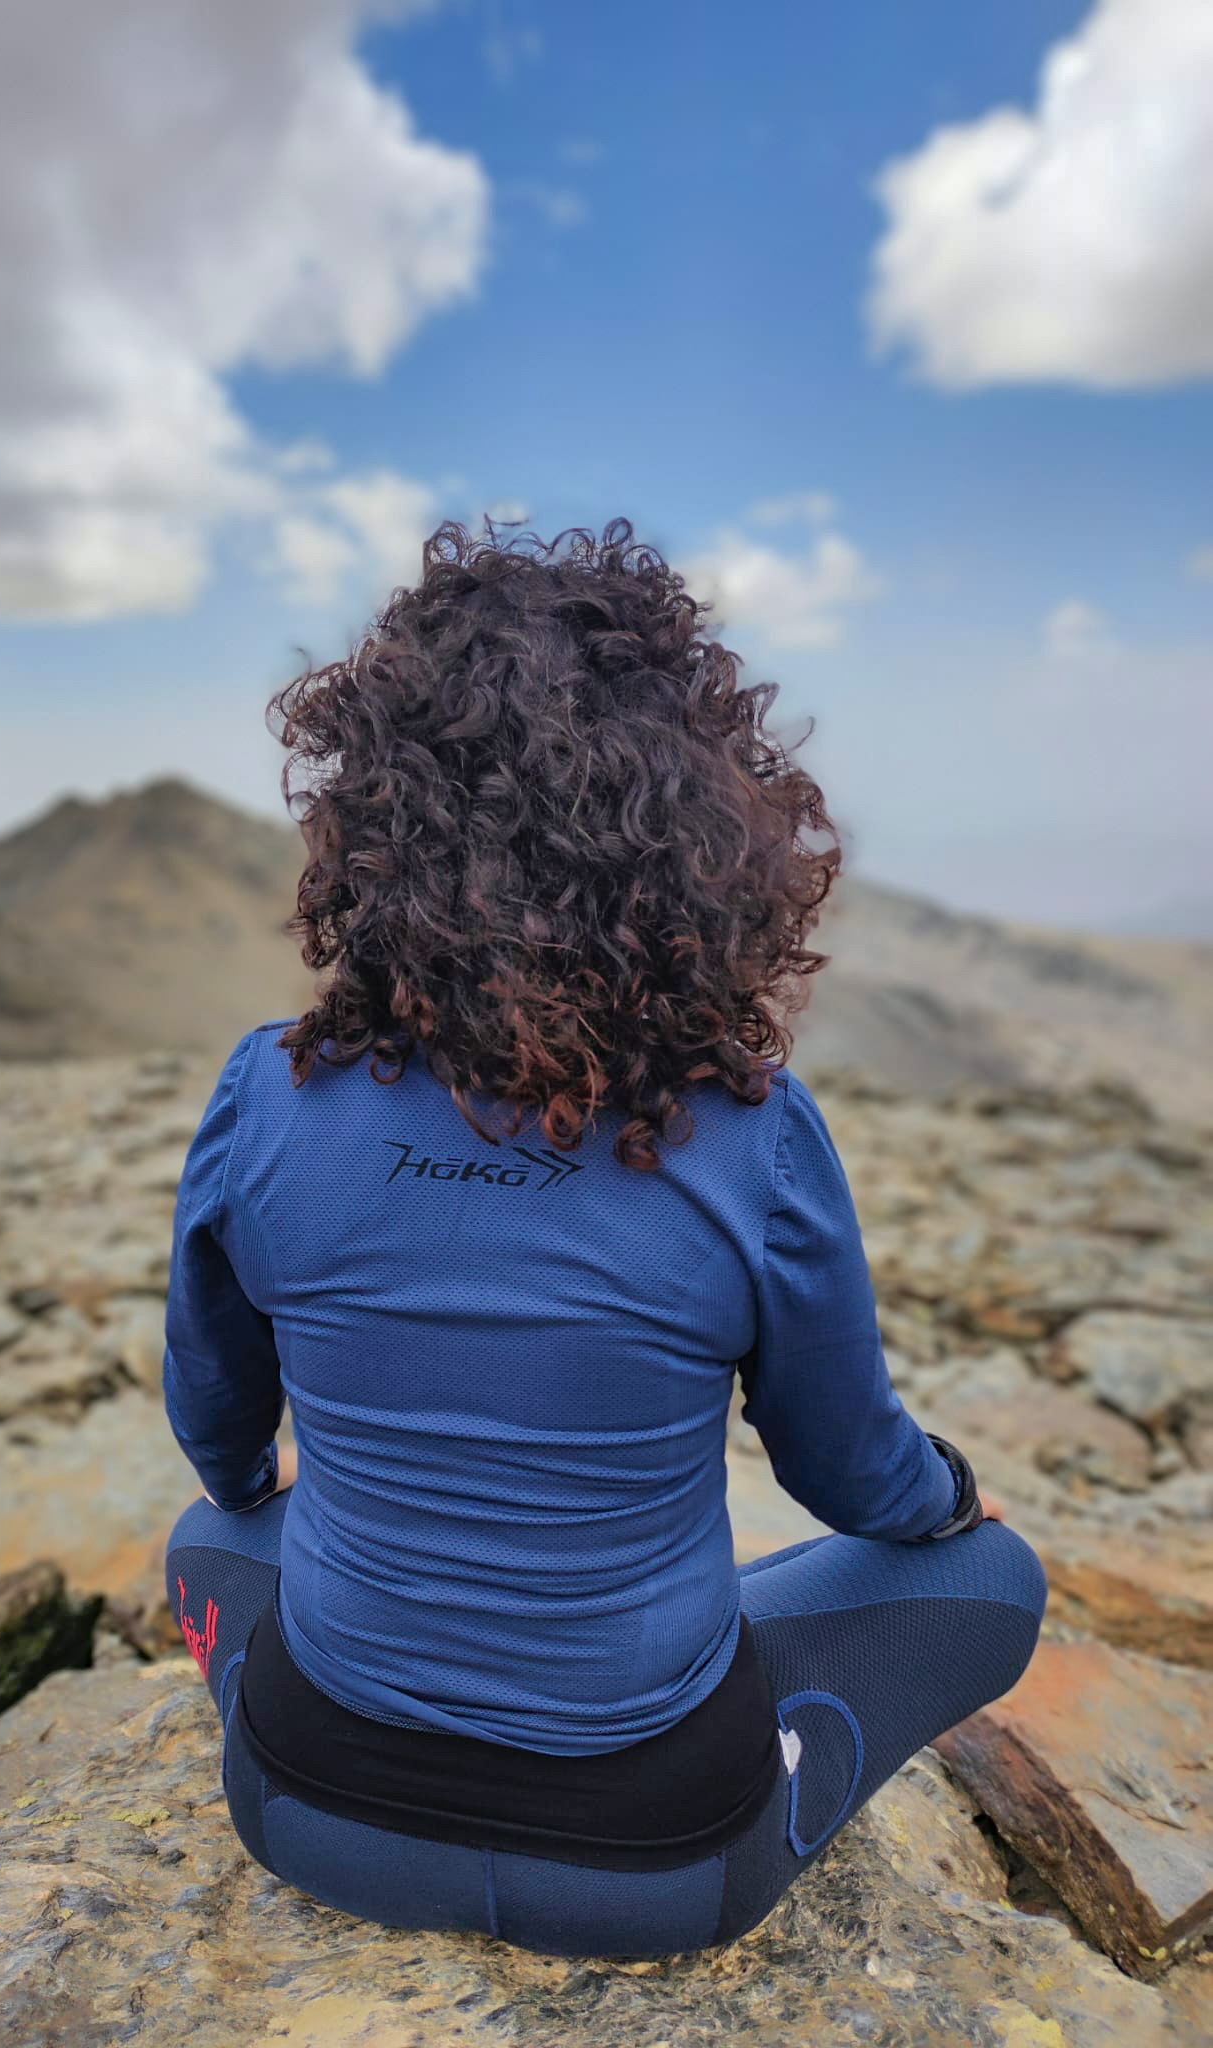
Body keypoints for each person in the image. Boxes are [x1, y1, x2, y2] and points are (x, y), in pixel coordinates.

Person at [162, 517, 1046, 1961]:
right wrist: (950, 1496)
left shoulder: (269, 1093)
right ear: (702, 838)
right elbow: (847, 1474)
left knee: (211, 1538)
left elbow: (215, 1426)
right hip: (659, 1871)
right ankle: (759, 1737)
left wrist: (267, 1494)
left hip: (305, 1809)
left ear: (370, 825)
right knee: (994, 1581)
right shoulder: (751, 1134)